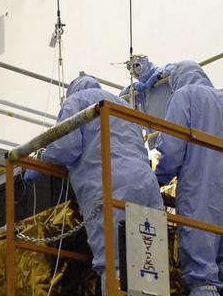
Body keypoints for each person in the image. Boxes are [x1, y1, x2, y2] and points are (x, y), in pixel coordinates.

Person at [39, 74, 164, 283]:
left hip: (109, 183)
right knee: (150, 266)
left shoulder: (77, 101)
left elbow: (65, 148)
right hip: (145, 184)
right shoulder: (123, 106)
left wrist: (43, 155)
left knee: (113, 263)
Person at [155, 62, 223, 296]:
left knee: (201, 263)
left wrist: (158, 177)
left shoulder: (184, 96)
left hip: (201, 186)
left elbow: (172, 145)